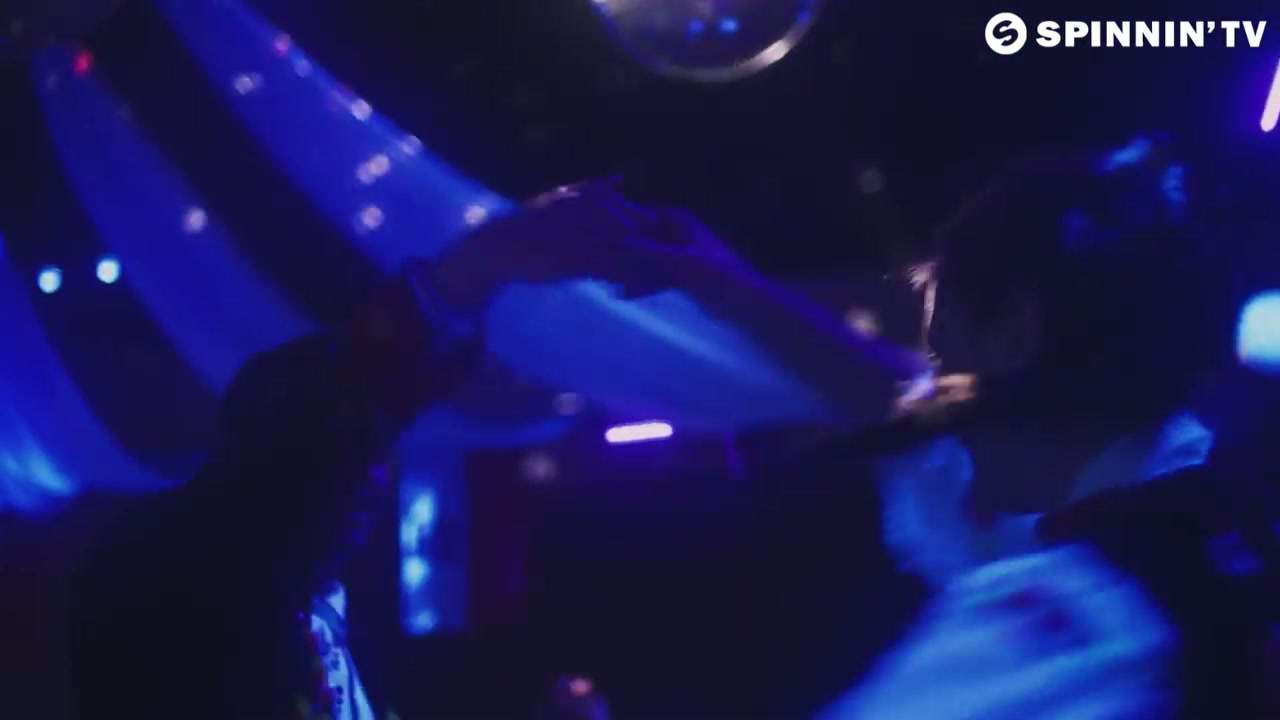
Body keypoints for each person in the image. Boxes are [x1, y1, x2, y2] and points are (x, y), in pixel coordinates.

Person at [65, 180, 927, 720]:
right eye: (355, 460)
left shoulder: (295, 583)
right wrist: (493, 259)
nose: (368, 488)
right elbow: (330, 407)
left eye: (375, 465)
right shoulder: (182, 561)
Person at [825, 135, 1280, 718]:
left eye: (940, 329)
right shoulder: (1228, 527)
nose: (930, 373)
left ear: (1017, 330)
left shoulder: (1075, 620)